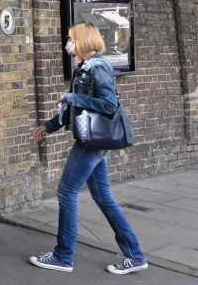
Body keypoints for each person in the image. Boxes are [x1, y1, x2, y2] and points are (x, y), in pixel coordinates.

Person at [29, 22, 147, 275]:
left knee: (66, 193)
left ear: (82, 40)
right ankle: (135, 255)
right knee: (103, 197)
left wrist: (71, 96)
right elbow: (72, 111)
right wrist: (48, 126)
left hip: (91, 143)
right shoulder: (82, 67)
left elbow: (108, 104)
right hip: (93, 140)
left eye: (71, 38)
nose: (68, 42)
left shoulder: (98, 66)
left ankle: (63, 256)